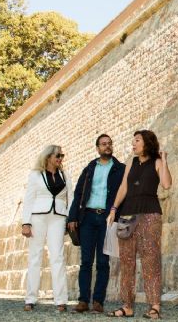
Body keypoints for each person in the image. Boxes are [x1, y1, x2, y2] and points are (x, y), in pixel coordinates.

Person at [106, 130, 173, 319]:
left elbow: (167, 184)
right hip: (127, 214)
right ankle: (127, 306)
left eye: (137, 141)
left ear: (147, 143)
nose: (133, 144)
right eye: (132, 141)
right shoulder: (131, 162)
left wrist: (165, 161)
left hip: (150, 214)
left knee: (150, 259)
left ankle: (155, 306)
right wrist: (113, 209)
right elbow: (123, 188)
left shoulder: (157, 162)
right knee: (126, 262)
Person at [67, 134, 125, 313]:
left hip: (107, 219)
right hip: (88, 218)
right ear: (97, 148)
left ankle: (98, 301)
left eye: (109, 144)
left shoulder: (120, 168)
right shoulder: (90, 168)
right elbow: (78, 194)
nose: (107, 146)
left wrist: (118, 217)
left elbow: (124, 194)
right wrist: (72, 217)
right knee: (85, 261)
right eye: (103, 144)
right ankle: (83, 300)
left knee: (102, 261)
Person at [22, 145, 72, 312]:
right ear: (48, 156)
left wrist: (69, 219)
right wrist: (26, 223)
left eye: (62, 155)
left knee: (57, 256)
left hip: (58, 218)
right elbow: (29, 199)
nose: (60, 158)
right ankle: (30, 298)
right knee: (35, 256)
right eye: (57, 155)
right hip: (38, 217)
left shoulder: (65, 175)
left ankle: (61, 300)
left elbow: (70, 198)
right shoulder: (36, 175)